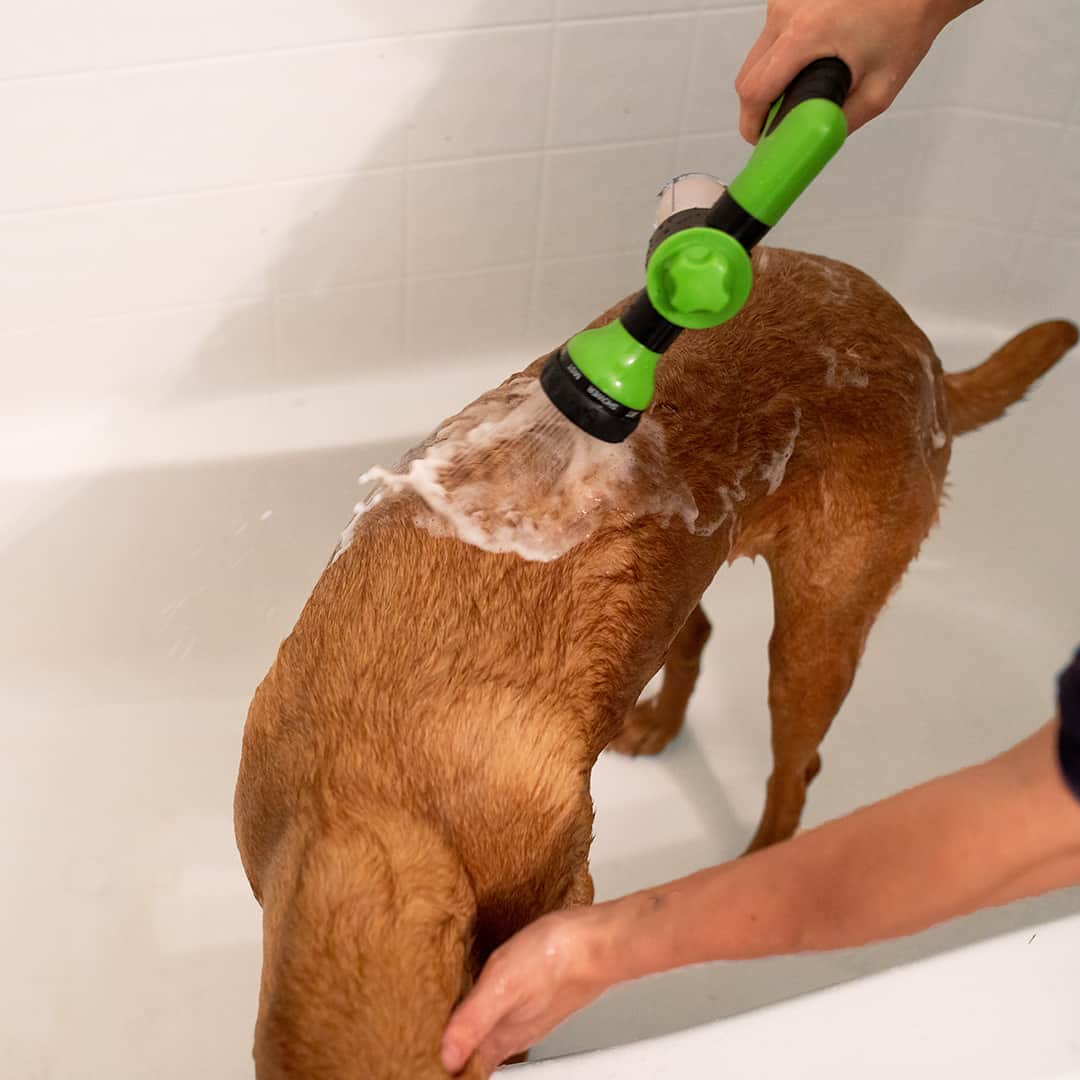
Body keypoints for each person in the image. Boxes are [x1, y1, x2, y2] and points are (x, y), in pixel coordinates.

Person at [441, 3, 1080, 1074]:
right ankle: (677, 697)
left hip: (859, 445)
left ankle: (785, 805)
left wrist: (613, 944)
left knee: (804, 664)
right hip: (765, 370)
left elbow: (1040, 816)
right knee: (656, 570)